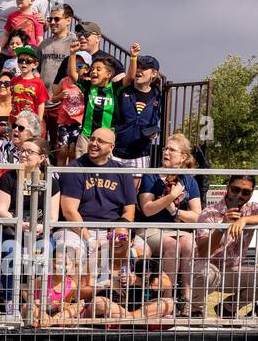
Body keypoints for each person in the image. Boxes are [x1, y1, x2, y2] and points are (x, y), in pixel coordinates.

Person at [55, 126, 140, 300]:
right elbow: (69, 211)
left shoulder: (122, 171)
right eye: (92, 139)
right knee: (72, 249)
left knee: (141, 249)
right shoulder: (75, 168)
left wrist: (119, 232)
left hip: (111, 230)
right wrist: (90, 238)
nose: (94, 143)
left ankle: (123, 300)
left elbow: (129, 210)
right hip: (77, 229)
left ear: (111, 147)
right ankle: (70, 300)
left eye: (100, 141)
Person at [0, 137, 59, 317]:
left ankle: (36, 302)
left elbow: (53, 216)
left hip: (38, 233)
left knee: (43, 252)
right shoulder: (8, 177)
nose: (24, 154)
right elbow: (0, 210)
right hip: (10, 231)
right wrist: (22, 223)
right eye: (22, 150)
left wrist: (39, 227)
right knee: (10, 251)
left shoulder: (50, 181)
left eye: (30, 152)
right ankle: (10, 302)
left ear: (42, 157)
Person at [137, 134, 202, 298]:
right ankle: (167, 298)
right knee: (172, 245)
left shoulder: (189, 181)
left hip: (176, 228)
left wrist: (175, 212)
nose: (166, 152)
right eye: (165, 148)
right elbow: (147, 209)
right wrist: (171, 196)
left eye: (172, 150)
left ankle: (186, 296)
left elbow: (197, 216)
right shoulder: (150, 176)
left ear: (183, 157)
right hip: (151, 229)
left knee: (188, 242)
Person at [187, 175, 258, 319]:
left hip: (232, 270)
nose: (239, 195)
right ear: (227, 188)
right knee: (207, 273)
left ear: (251, 193)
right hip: (204, 269)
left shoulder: (251, 209)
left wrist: (244, 219)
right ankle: (196, 311)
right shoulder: (209, 212)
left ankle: (228, 308)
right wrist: (222, 227)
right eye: (235, 189)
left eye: (245, 192)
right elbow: (203, 251)